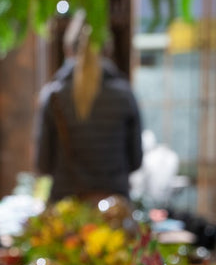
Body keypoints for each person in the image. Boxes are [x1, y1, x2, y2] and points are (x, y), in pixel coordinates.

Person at [34, 12, 143, 204]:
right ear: (108, 49)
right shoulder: (125, 95)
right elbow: (136, 161)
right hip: (113, 209)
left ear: (68, 49)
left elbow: (43, 164)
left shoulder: (53, 95)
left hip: (67, 209)